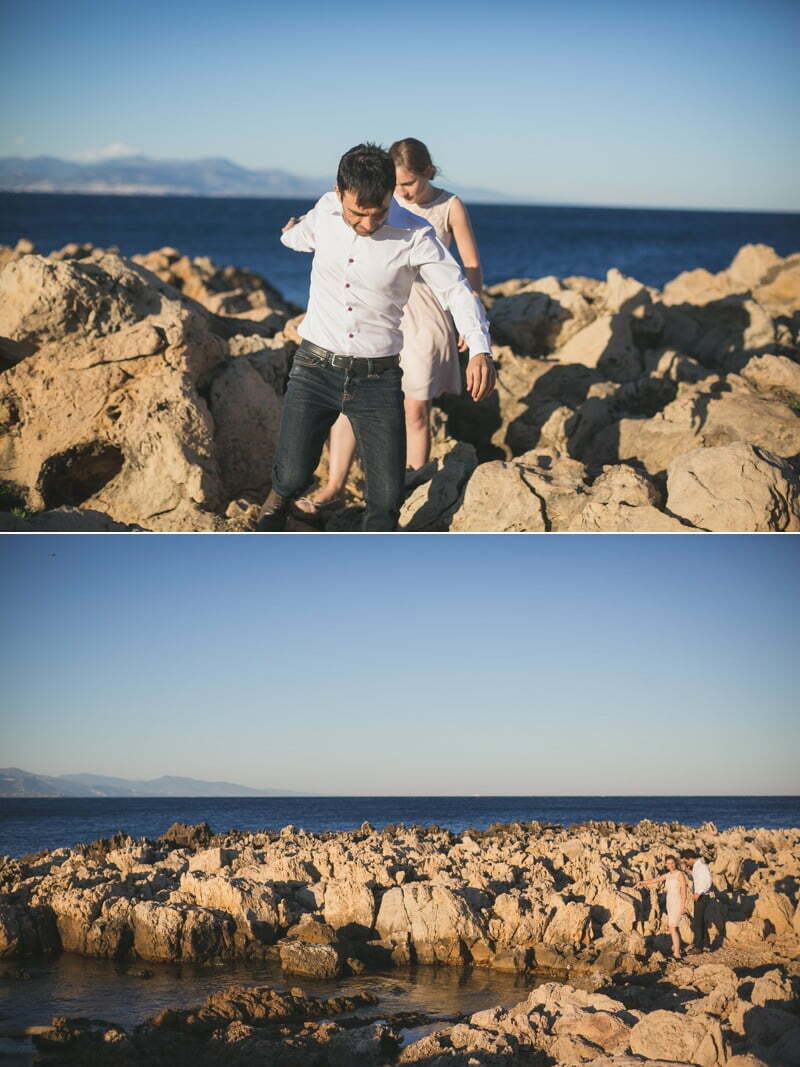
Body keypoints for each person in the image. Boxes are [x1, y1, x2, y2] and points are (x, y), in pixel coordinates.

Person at [256, 143, 495, 532]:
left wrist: (480, 347)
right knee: (292, 477)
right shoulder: (325, 211)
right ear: (339, 194)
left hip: (378, 379)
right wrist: (290, 234)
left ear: (389, 194)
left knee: (385, 500)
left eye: (379, 212)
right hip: (315, 368)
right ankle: (273, 516)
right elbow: (301, 237)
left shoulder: (416, 234)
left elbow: (455, 289)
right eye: (357, 214)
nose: (368, 224)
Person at [634, 856, 690, 959]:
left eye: (672, 863)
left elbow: (684, 891)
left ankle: (677, 953)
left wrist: (683, 906)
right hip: (670, 902)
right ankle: (677, 949)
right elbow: (655, 880)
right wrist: (642, 883)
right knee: (673, 927)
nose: (670, 865)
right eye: (668, 863)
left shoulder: (680, 874)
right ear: (666, 865)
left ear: (675, 863)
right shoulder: (668, 875)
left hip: (677, 902)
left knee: (673, 927)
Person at [684, 849, 713, 952]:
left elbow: (708, 881)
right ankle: (704, 944)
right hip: (700, 896)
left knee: (698, 922)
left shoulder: (702, 867)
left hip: (702, 897)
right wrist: (690, 873)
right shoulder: (697, 867)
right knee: (701, 922)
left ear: (690, 859)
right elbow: (698, 878)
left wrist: (699, 892)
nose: (686, 863)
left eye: (686, 861)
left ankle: (698, 947)